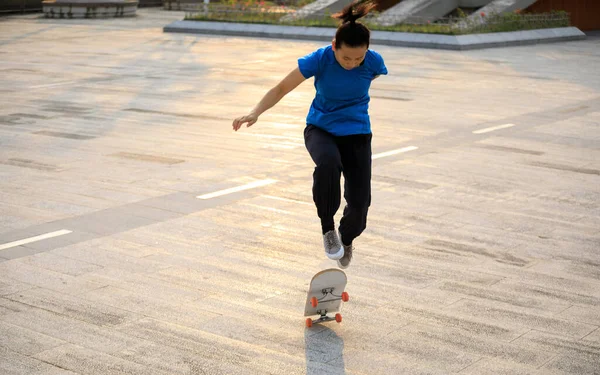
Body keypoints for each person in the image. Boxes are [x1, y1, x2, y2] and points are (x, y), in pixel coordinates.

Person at [232, 1, 388, 269]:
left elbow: (365, 78)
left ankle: (346, 238)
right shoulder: (320, 59)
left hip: (358, 134)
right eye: (346, 58)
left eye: (358, 58)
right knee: (328, 164)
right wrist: (255, 111)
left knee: (360, 205)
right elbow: (281, 87)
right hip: (321, 129)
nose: (352, 64)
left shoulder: (373, 63)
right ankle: (328, 230)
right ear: (333, 46)